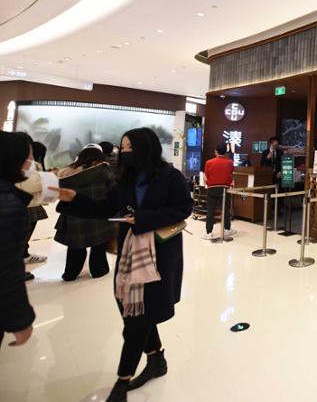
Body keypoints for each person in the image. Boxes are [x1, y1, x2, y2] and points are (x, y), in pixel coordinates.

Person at [54, 127, 193, 402]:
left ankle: (122, 381)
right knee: (133, 309)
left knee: (137, 320)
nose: (125, 152)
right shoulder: (125, 180)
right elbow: (104, 208)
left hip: (159, 255)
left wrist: (143, 218)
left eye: (130, 148)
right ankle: (156, 358)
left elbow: (183, 208)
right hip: (129, 253)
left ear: (146, 148)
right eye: (123, 147)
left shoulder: (171, 177)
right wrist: (72, 198)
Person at [54, 146, 116, 280]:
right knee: (98, 246)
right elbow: (113, 189)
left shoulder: (66, 173)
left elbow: (60, 192)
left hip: (74, 216)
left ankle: (70, 274)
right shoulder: (104, 170)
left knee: (75, 247)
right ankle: (99, 271)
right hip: (98, 213)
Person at [0, 131, 37, 349]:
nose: (31, 162)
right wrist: (20, 320)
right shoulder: (8, 204)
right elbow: (6, 267)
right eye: (29, 156)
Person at [16, 136, 50, 278]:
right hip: (28, 205)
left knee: (21, 238)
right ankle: (18, 267)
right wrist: (48, 180)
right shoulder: (28, 165)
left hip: (27, 204)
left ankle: (24, 256)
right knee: (20, 238)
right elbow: (29, 185)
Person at [201, 144, 235, 240]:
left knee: (210, 211)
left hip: (212, 188)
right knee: (226, 210)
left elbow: (206, 176)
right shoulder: (230, 162)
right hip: (225, 188)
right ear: (225, 152)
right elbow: (231, 174)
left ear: (216, 151)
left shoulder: (209, 162)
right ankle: (227, 229)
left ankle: (209, 232)